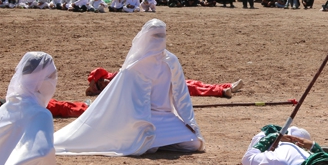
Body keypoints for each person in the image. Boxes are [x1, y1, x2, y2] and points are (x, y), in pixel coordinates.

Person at [54, 20, 204, 156]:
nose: (159, 39)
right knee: (142, 145)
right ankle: (154, 142)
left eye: (162, 35)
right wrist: (140, 123)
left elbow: (181, 95)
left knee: (194, 143)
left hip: (165, 118)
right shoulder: (135, 64)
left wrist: (190, 122)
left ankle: (158, 142)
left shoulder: (171, 61)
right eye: (155, 35)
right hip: (138, 118)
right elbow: (126, 99)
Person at [86, 66, 243, 99]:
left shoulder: (116, 76)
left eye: (100, 81)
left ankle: (227, 86)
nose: (103, 83)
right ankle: (222, 92)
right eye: (100, 85)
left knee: (194, 83)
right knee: (191, 88)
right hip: (156, 87)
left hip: (157, 79)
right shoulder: (115, 87)